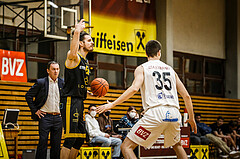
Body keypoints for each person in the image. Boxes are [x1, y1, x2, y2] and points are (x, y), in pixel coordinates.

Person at [97, 40, 197, 159]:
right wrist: (191, 118)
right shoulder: (171, 70)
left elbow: (134, 89)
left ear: (146, 54)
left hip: (156, 113)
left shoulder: (142, 68)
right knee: (177, 145)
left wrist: (112, 105)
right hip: (174, 114)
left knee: (126, 147)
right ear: (159, 53)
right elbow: (186, 96)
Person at [60, 19, 94, 159]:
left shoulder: (86, 62)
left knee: (80, 139)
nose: (92, 42)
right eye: (89, 40)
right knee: (69, 139)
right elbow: (72, 51)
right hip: (70, 101)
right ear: (81, 43)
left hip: (80, 101)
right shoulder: (74, 57)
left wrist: (87, 91)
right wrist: (77, 31)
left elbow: (78, 81)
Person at [25, 61, 64, 159]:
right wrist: (35, 110)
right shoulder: (41, 82)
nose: (56, 71)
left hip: (58, 117)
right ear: (48, 70)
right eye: (53, 69)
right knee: (43, 143)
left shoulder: (62, 83)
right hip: (45, 116)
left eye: (57, 69)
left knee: (56, 145)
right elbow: (28, 95)